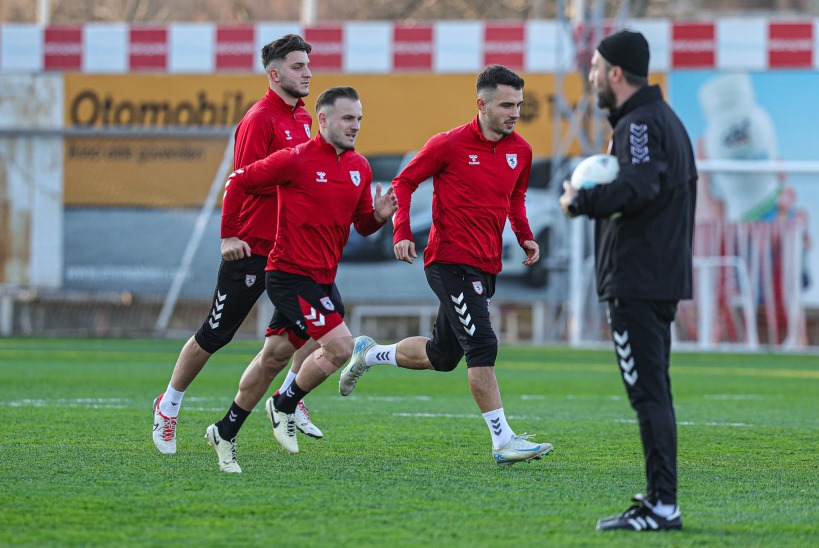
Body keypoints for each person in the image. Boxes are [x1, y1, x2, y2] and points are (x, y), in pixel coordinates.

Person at [337, 65, 554, 468]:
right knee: (483, 345)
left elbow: (515, 199)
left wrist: (524, 235)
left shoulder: (520, 151)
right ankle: (503, 440)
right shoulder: (448, 144)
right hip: (449, 262)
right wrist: (401, 230)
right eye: (507, 105)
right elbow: (403, 183)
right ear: (481, 104)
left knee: (441, 356)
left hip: (485, 266)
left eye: (519, 105)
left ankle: (368, 354)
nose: (514, 113)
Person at [205, 86, 398, 473]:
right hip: (289, 275)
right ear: (322, 120)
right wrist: (229, 234)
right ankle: (284, 403)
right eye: (347, 118)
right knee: (342, 347)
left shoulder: (360, 166)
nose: (355, 126)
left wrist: (378, 215)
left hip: (323, 280)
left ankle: (225, 431)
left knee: (274, 357)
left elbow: (360, 225)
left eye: (359, 119)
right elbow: (238, 181)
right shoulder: (294, 159)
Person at [152, 34, 324, 455]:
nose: (307, 73)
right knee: (216, 333)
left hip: (292, 247)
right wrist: (229, 234)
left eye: (308, 66)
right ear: (275, 73)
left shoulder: (304, 119)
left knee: (317, 326)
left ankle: (288, 399)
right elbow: (240, 181)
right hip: (252, 245)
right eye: (298, 67)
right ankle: (168, 405)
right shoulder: (259, 119)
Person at [559, 30, 696, 531]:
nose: (591, 76)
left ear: (615, 73)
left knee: (648, 394)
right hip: (652, 277)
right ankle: (661, 500)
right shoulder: (657, 120)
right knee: (653, 392)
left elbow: (638, 186)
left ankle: (663, 506)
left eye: (594, 68)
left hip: (638, 280)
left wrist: (580, 200)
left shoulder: (640, 123)